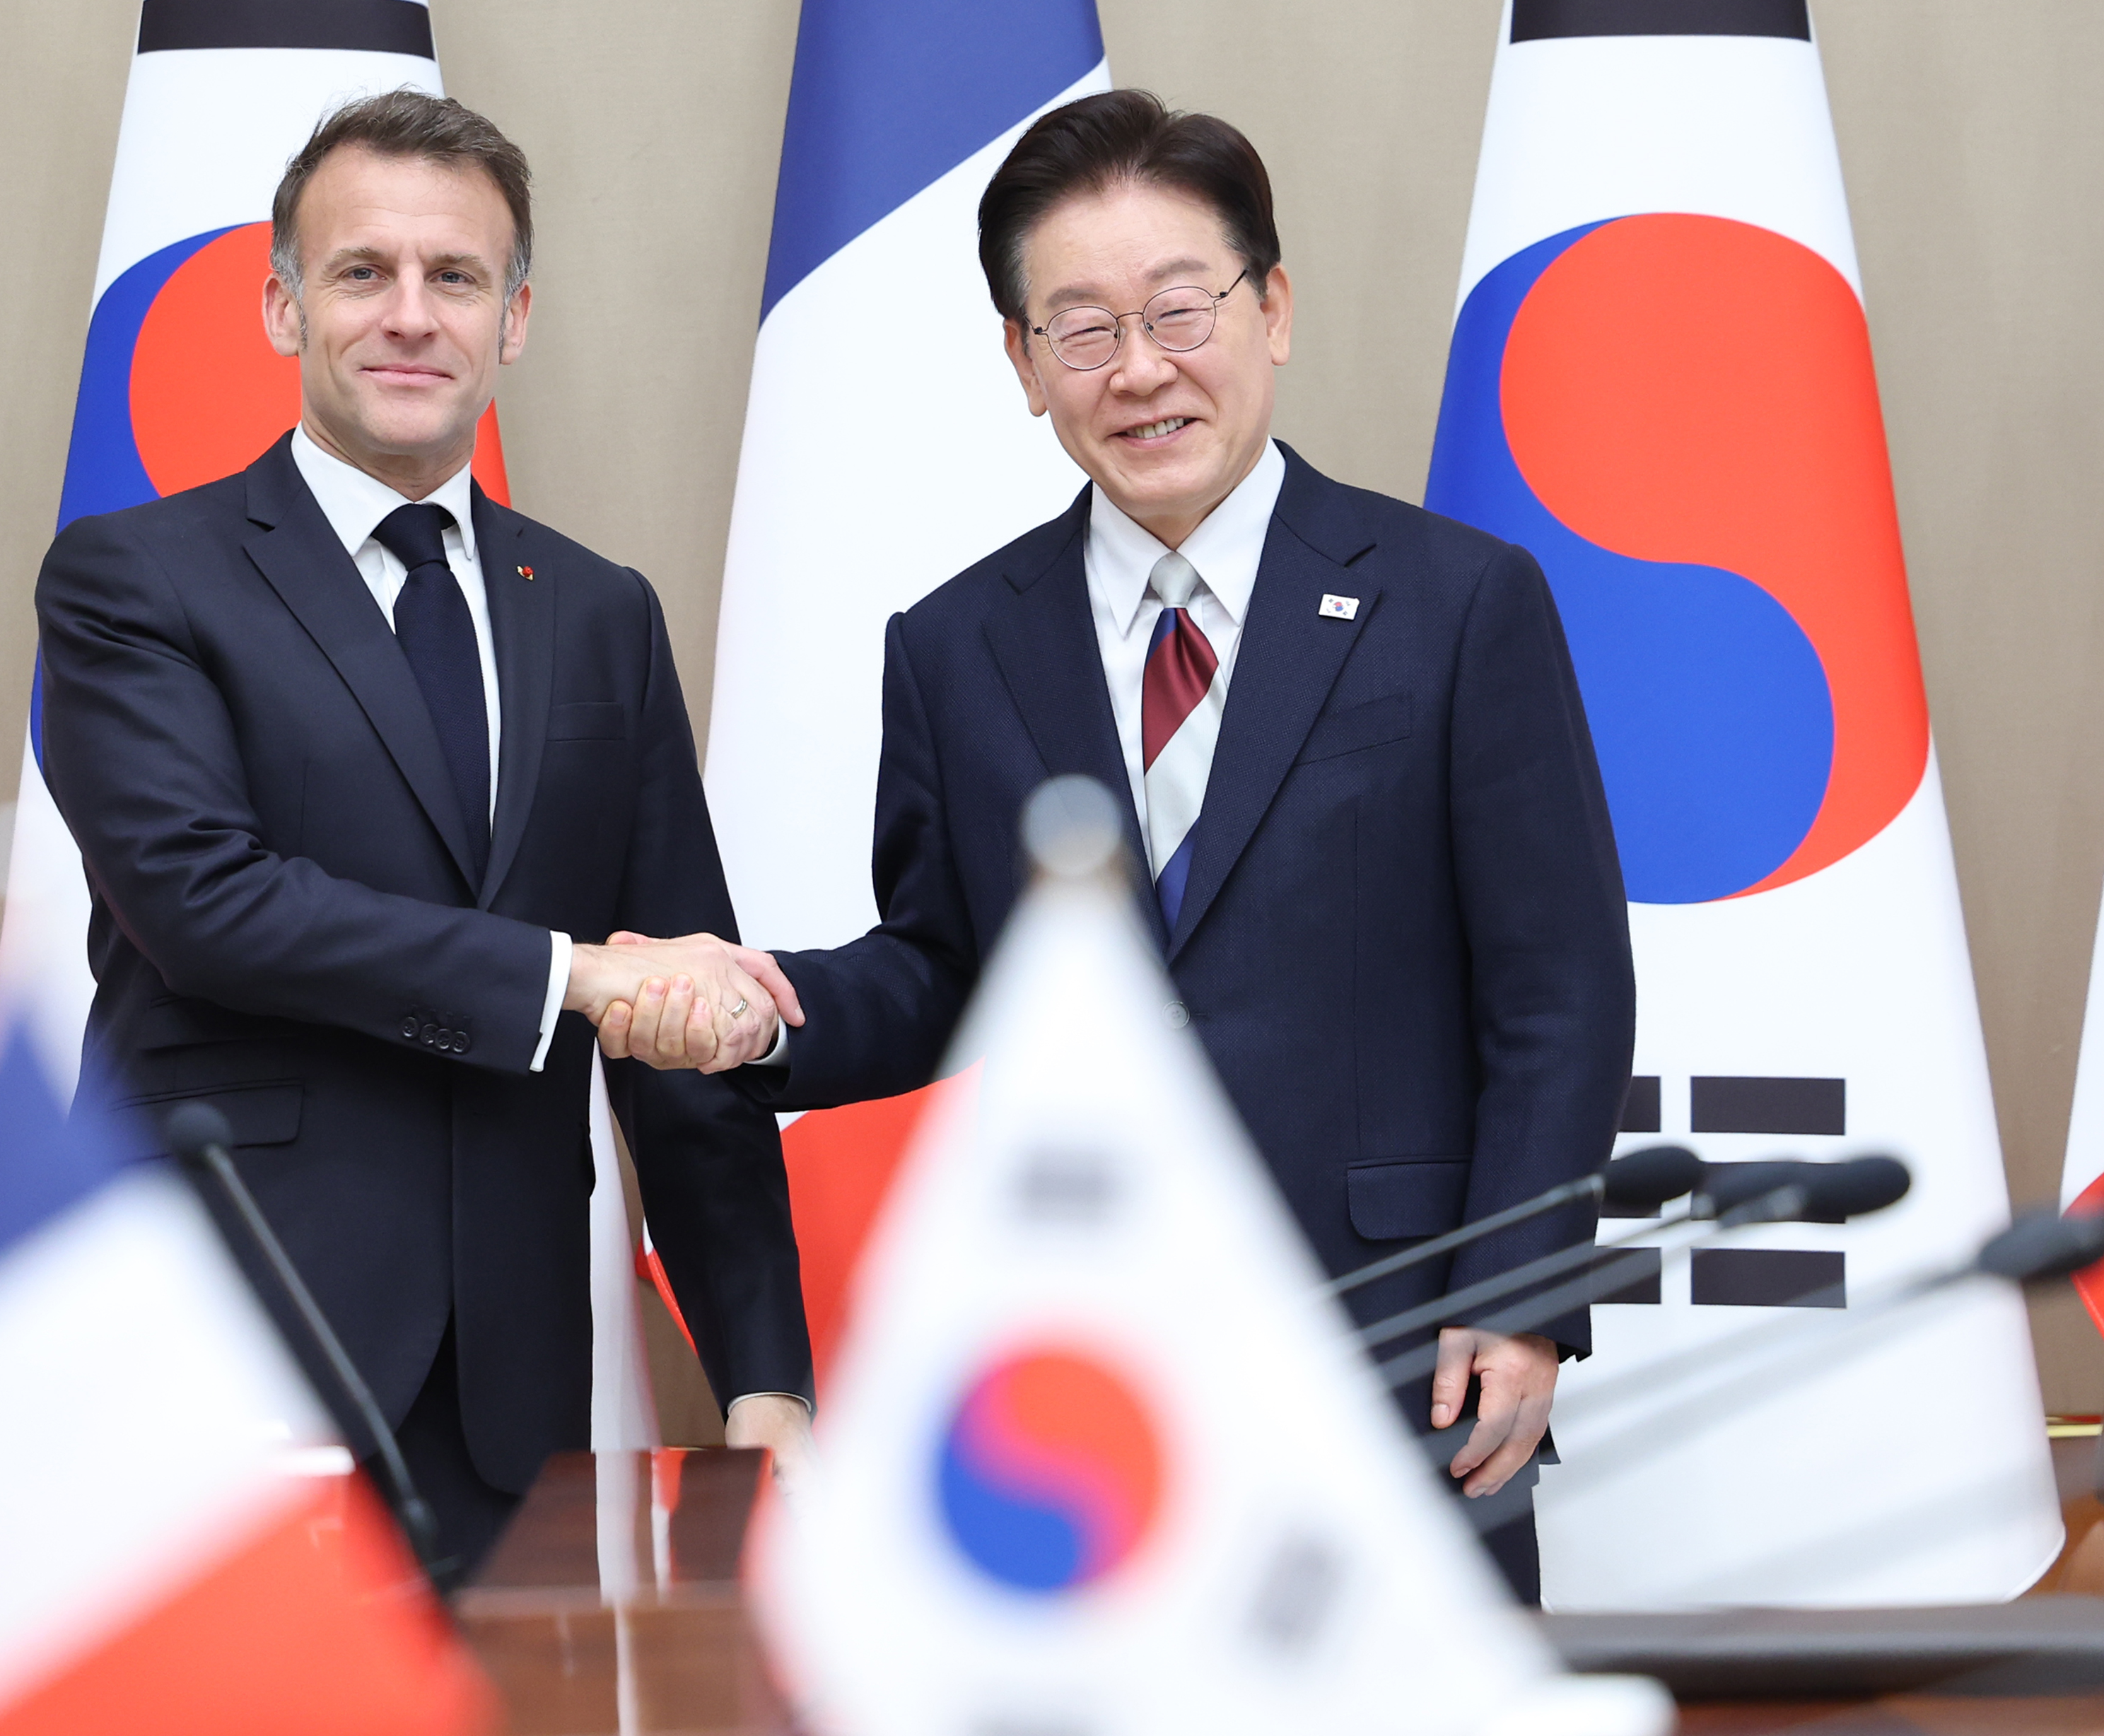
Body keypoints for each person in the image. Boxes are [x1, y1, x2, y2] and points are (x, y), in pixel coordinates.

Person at [607, 91, 1632, 1602]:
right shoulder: (957, 644)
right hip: (1084, 1370)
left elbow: (1559, 988)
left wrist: (1524, 1292)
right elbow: (953, 967)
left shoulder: (1458, 601)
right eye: (1082, 329)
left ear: (1271, 307)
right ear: (1023, 364)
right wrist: (753, 1011)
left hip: (1396, 1339)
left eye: (1180, 308)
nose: (1141, 369)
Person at [35, 90, 812, 1587]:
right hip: (217, 1353)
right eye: (361, 271)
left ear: (514, 319)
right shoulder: (135, 580)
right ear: (280, 302)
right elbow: (208, 905)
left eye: (455, 278)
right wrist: (569, 978)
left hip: (507, 1397)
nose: (410, 316)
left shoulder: (601, 614)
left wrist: (764, 1370)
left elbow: (678, 1009)